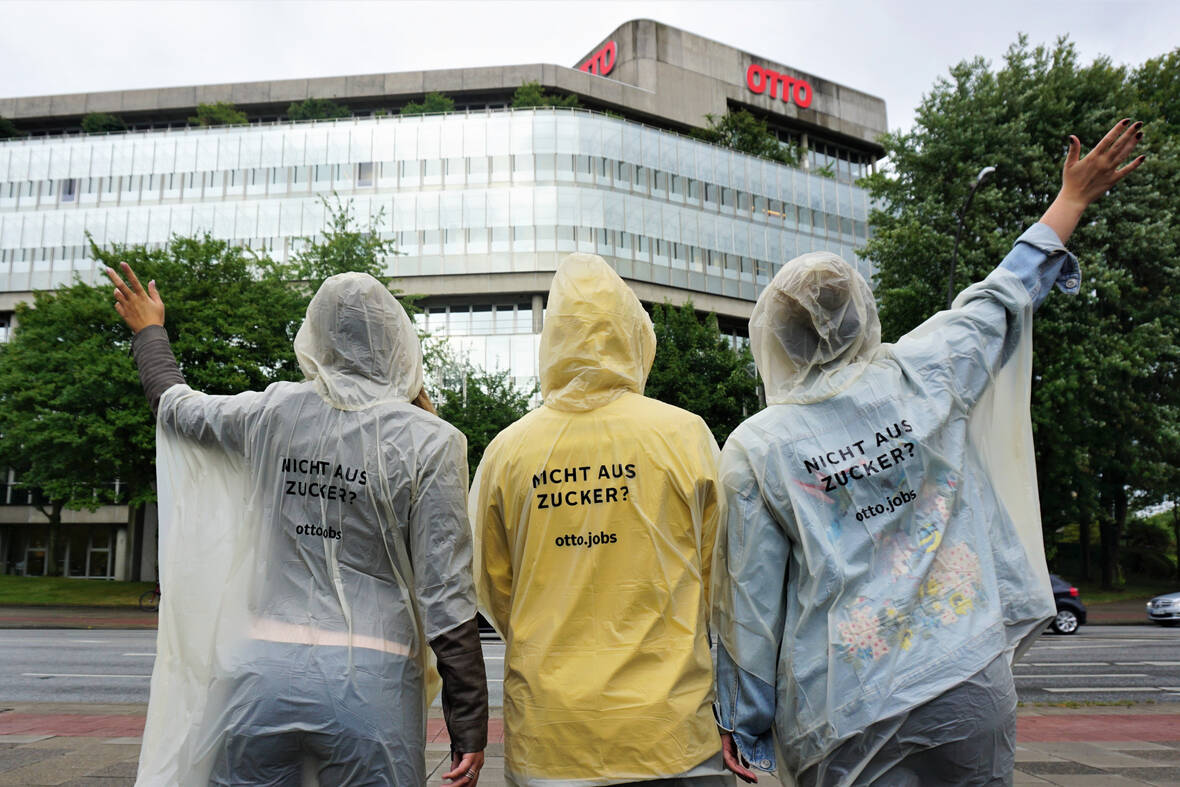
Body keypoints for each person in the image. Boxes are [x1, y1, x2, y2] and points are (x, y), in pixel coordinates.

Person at [713, 119, 1146, 786]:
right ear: (863, 312)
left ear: (774, 341)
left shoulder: (757, 447)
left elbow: (751, 599)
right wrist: (1073, 199)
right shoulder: (930, 367)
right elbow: (1004, 292)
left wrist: (745, 719)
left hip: (848, 705)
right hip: (965, 674)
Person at [107, 266, 488, 786]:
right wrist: (468, 724)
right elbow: (447, 594)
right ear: (400, 343)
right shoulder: (431, 441)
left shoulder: (273, 413)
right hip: (371, 683)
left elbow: (174, 407)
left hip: (258, 673)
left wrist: (150, 331)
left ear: (317, 337)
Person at [469, 253, 731, 786]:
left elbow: (492, 588)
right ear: (634, 334)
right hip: (671, 731)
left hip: (552, 736)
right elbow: (723, 575)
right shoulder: (683, 435)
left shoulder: (508, 452)